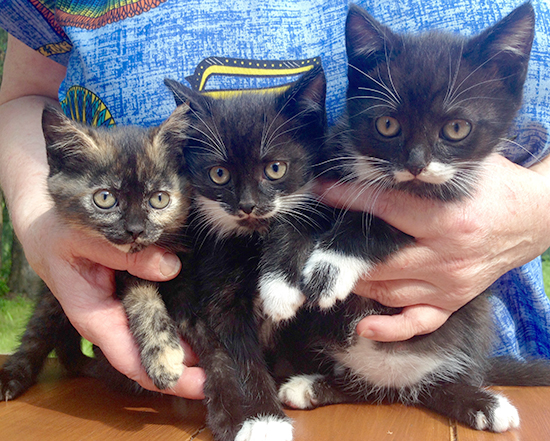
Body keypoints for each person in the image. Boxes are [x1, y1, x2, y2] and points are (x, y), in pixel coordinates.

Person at [0, 0, 549, 400]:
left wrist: (537, 210)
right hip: (154, 369)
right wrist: (40, 218)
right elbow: (24, 97)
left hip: (466, 362)